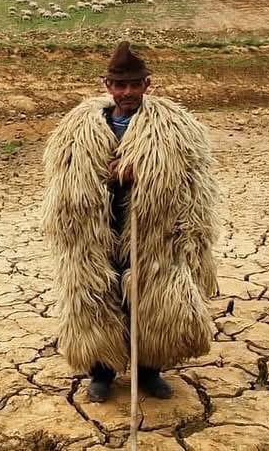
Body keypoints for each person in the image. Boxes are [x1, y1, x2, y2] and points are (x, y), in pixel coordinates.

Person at [41, 41, 220, 403]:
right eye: (119, 86)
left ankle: (148, 369)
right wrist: (103, 178)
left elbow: (194, 180)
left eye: (135, 85)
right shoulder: (78, 128)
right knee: (96, 297)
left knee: (152, 300)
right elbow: (63, 180)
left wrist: (149, 173)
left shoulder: (174, 128)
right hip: (98, 230)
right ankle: (102, 371)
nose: (127, 93)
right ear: (106, 85)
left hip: (152, 231)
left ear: (147, 85)